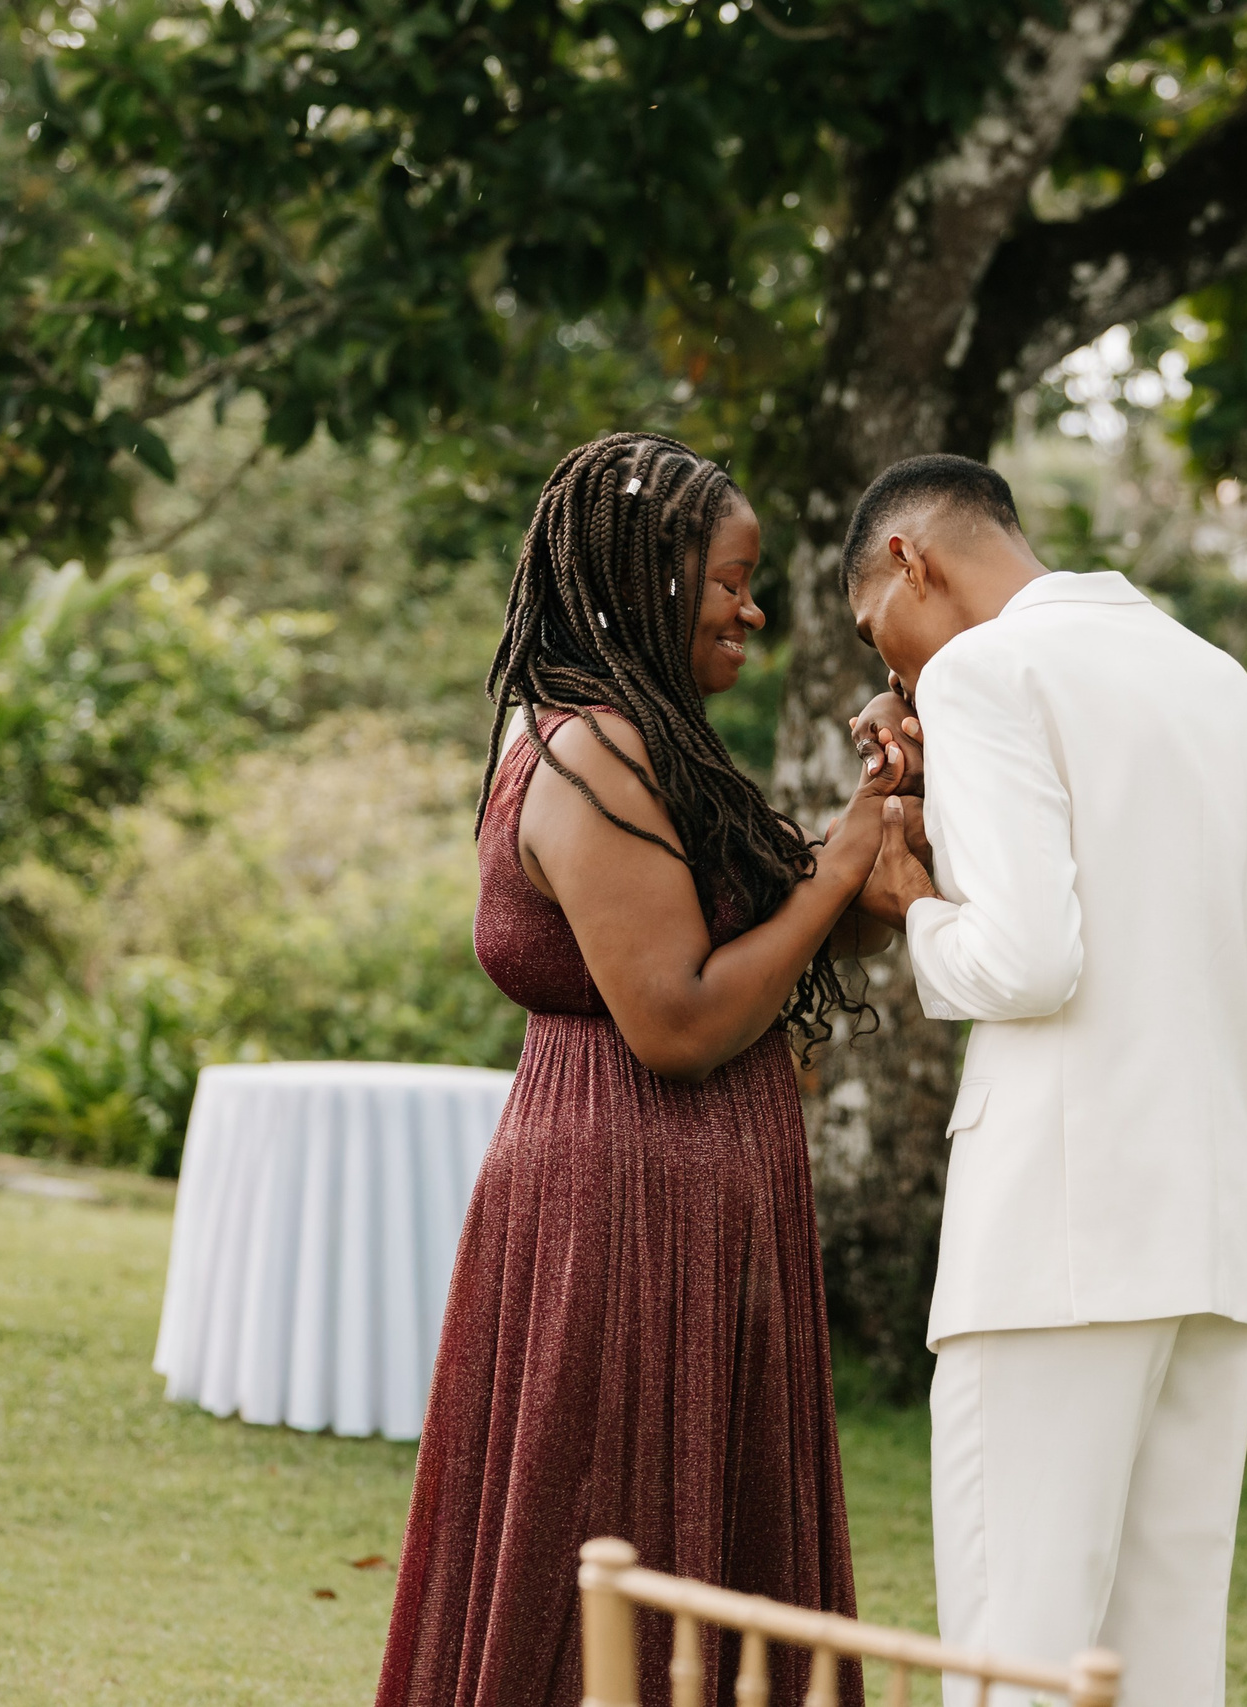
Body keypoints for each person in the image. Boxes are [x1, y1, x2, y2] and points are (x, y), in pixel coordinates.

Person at [376, 433, 905, 1707]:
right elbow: (672, 1020)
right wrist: (835, 865)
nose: (752, 607)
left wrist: (876, 820)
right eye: (730, 580)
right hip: (625, 1197)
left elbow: (784, 935)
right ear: (652, 575)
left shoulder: (651, 743)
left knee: (690, 1538)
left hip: (688, 1190)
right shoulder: (591, 750)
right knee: (609, 1527)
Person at [841, 455, 1247, 1707]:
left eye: (883, 641)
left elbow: (1027, 960)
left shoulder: (987, 671)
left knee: (1018, 1647)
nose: (895, 676)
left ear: (910, 565)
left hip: (1056, 1224)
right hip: (1206, 1222)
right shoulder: (1215, 678)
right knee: (1161, 1655)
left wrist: (912, 902)